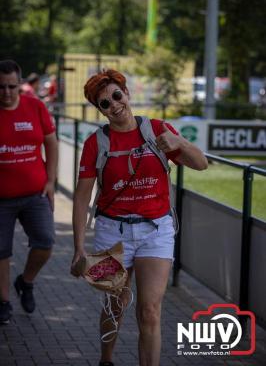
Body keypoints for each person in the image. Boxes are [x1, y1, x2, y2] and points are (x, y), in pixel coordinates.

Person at [71, 69, 208, 366]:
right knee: (113, 305)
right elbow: (81, 199)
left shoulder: (157, 129)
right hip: (111, 231)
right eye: (104, 104)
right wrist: (79, 247)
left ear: (126, 93)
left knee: (150, 310)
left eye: (116, 95)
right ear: (100, 111)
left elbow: (202, 164)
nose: (114, 105)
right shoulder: (96, 144)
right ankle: (106, 359)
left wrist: (179, 143)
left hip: (156, 231)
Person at [0, 60, 58, 324]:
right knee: (2, 251)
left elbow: (51, 144)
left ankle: (26, 281)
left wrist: (51, 181)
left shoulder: (35, 107)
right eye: (1, 87)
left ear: (19, 84)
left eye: (12, 86)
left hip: (35, 194)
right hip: (2, 200)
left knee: (45, 242)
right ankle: (3, 302)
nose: (7, 92)